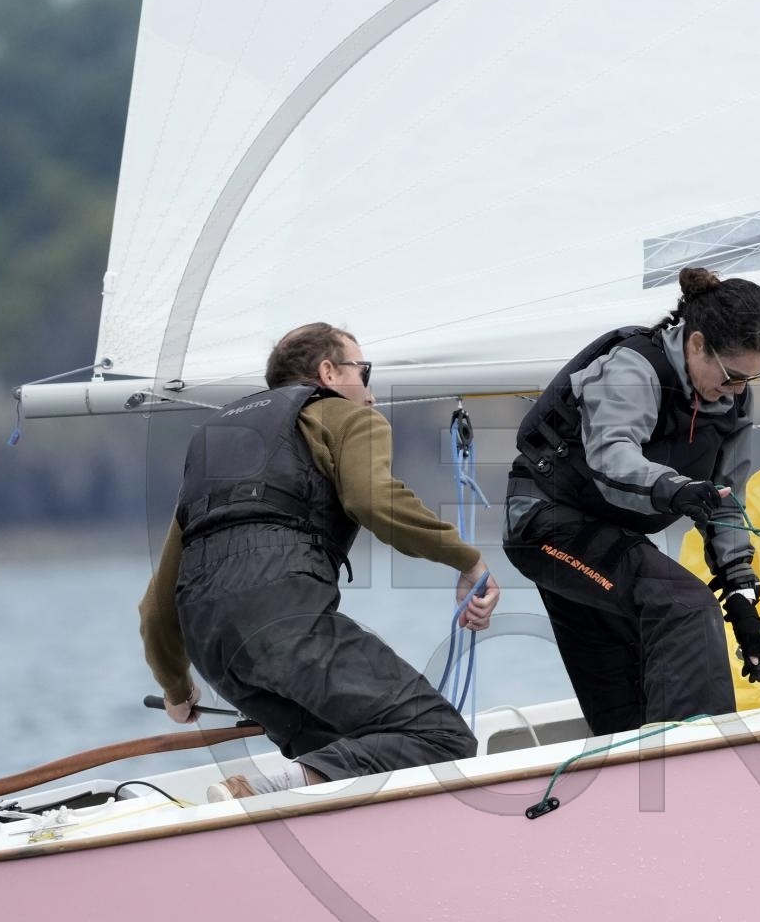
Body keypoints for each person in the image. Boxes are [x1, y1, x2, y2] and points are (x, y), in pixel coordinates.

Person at [139, 323, 500, 799]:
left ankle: (279, 799)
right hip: (284, 622)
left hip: (215, 652)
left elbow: (156, 606)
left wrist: (177, 690)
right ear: (328, 372)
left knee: (349, 761)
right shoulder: (347, 416)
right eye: (363, 373)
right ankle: (267, 790)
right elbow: (373, 501)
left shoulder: (215, 449)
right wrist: (468, 561)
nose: (370, 394)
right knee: (440, 737)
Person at [503, 266, 760, 735]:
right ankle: (694, 759)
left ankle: (638, 771)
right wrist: (675, 488)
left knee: (626, 703)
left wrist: (741, 596)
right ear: (696, 344)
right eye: (731, 376)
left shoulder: (735, 400)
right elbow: (611, 457)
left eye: (751, 378)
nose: (738, 390)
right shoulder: (634, 368)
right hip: (546, 525)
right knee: (683, 605)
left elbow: (725, 501)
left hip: (610, 538)